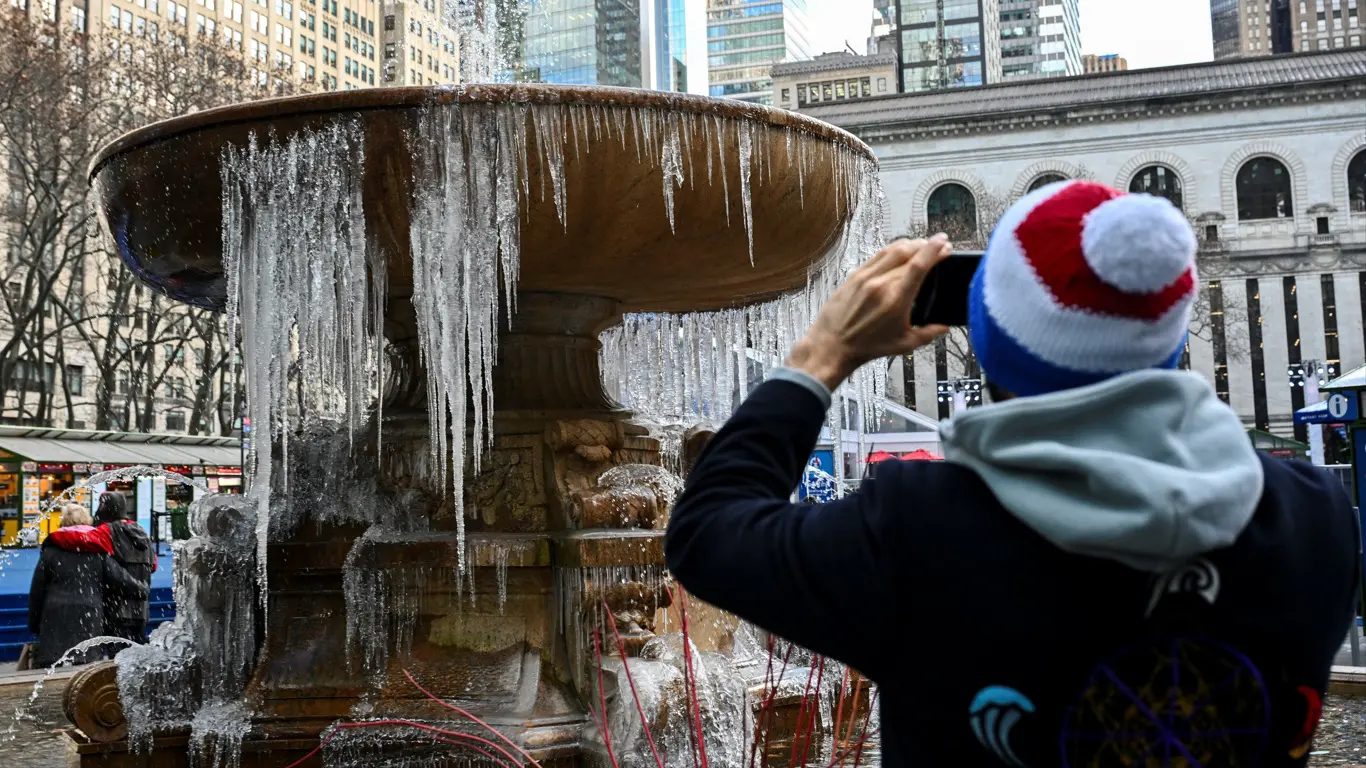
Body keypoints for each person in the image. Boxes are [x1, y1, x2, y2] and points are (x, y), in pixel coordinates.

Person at [666, 181, 1360, 767]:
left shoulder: (920, 530)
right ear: (1170, 340)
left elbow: (707, 531)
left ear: (990, 338)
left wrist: (821, 356)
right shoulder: (1315, 517)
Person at [27, 504, 147, 668]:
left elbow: (37, 591)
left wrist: (34, 622)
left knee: (53, 670)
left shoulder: (51, 551)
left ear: (64, 522)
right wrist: (141, 589)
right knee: (84, 672)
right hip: (89, 615)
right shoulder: (96, 550)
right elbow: (120, 579)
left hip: (55, 617)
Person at [94, 491, 156, 647]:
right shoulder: (141, 531)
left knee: (116, 661)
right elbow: (153, 565)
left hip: (115, 608)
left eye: (102, 504)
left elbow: (99, 564)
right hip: (140, 609)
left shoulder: (105, 530)